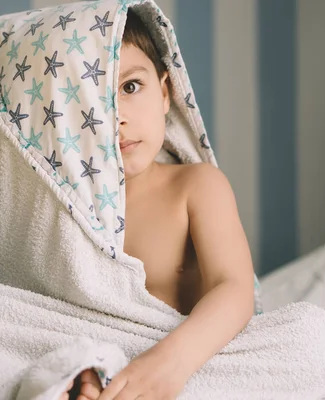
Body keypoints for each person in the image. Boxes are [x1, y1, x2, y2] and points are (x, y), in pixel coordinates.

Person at [63, 10, 255, 400]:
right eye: (90, 101)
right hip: (106, 357)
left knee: (314, 334)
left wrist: (169, 364)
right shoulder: (67, 210)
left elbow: (232, 288)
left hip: (193, 358)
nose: (115, 118)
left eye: (130, 87)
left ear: (165, 93)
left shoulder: (196, 185)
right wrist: (79, 361)